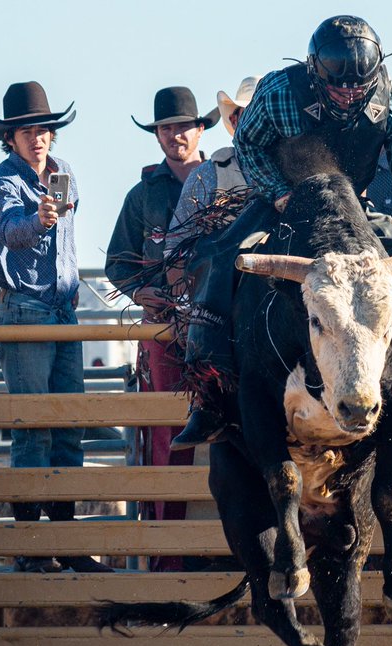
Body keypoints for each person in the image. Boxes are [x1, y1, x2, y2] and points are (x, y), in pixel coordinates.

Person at [173, 15, 392, 471]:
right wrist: (277, 191)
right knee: (221, 259)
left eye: (359, 86)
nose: (350, 94)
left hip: (353, 206)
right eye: (340, 86)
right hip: (282, 201)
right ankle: (209, 398)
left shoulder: (389, 99)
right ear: (316, 70)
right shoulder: (280, 90)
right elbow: (251, 148)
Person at [0, 80, 106, 573]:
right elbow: (9, 230)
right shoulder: (1, 183)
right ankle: (35, 546)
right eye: (28, 131)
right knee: (34, 428)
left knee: (66, 424)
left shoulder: (62, 173)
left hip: (60, 308)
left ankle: (61, 543)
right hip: (28, 309)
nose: (38, 138)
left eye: (44, 129)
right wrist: (41, 221)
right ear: (9, 138)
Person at [105, 87, 217, 545]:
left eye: (181, 126)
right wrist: (141, 290)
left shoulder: (225, 179)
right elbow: (117, 262)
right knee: (168, 436)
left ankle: (225, 549)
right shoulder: (143, 195)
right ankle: (170, 552)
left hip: (217, 327)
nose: (174, 135)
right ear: (157, 135)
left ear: (199, 129)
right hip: (166, 331)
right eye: (166, 128)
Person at [168, 76, 261, 449]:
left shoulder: (300, 169)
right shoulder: (210, 173)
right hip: (229, 301)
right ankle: (207, 403)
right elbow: (176, 249)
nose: (250, 121)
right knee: (213, 268)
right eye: (243, 114)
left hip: (283, 292)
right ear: (234, 121)